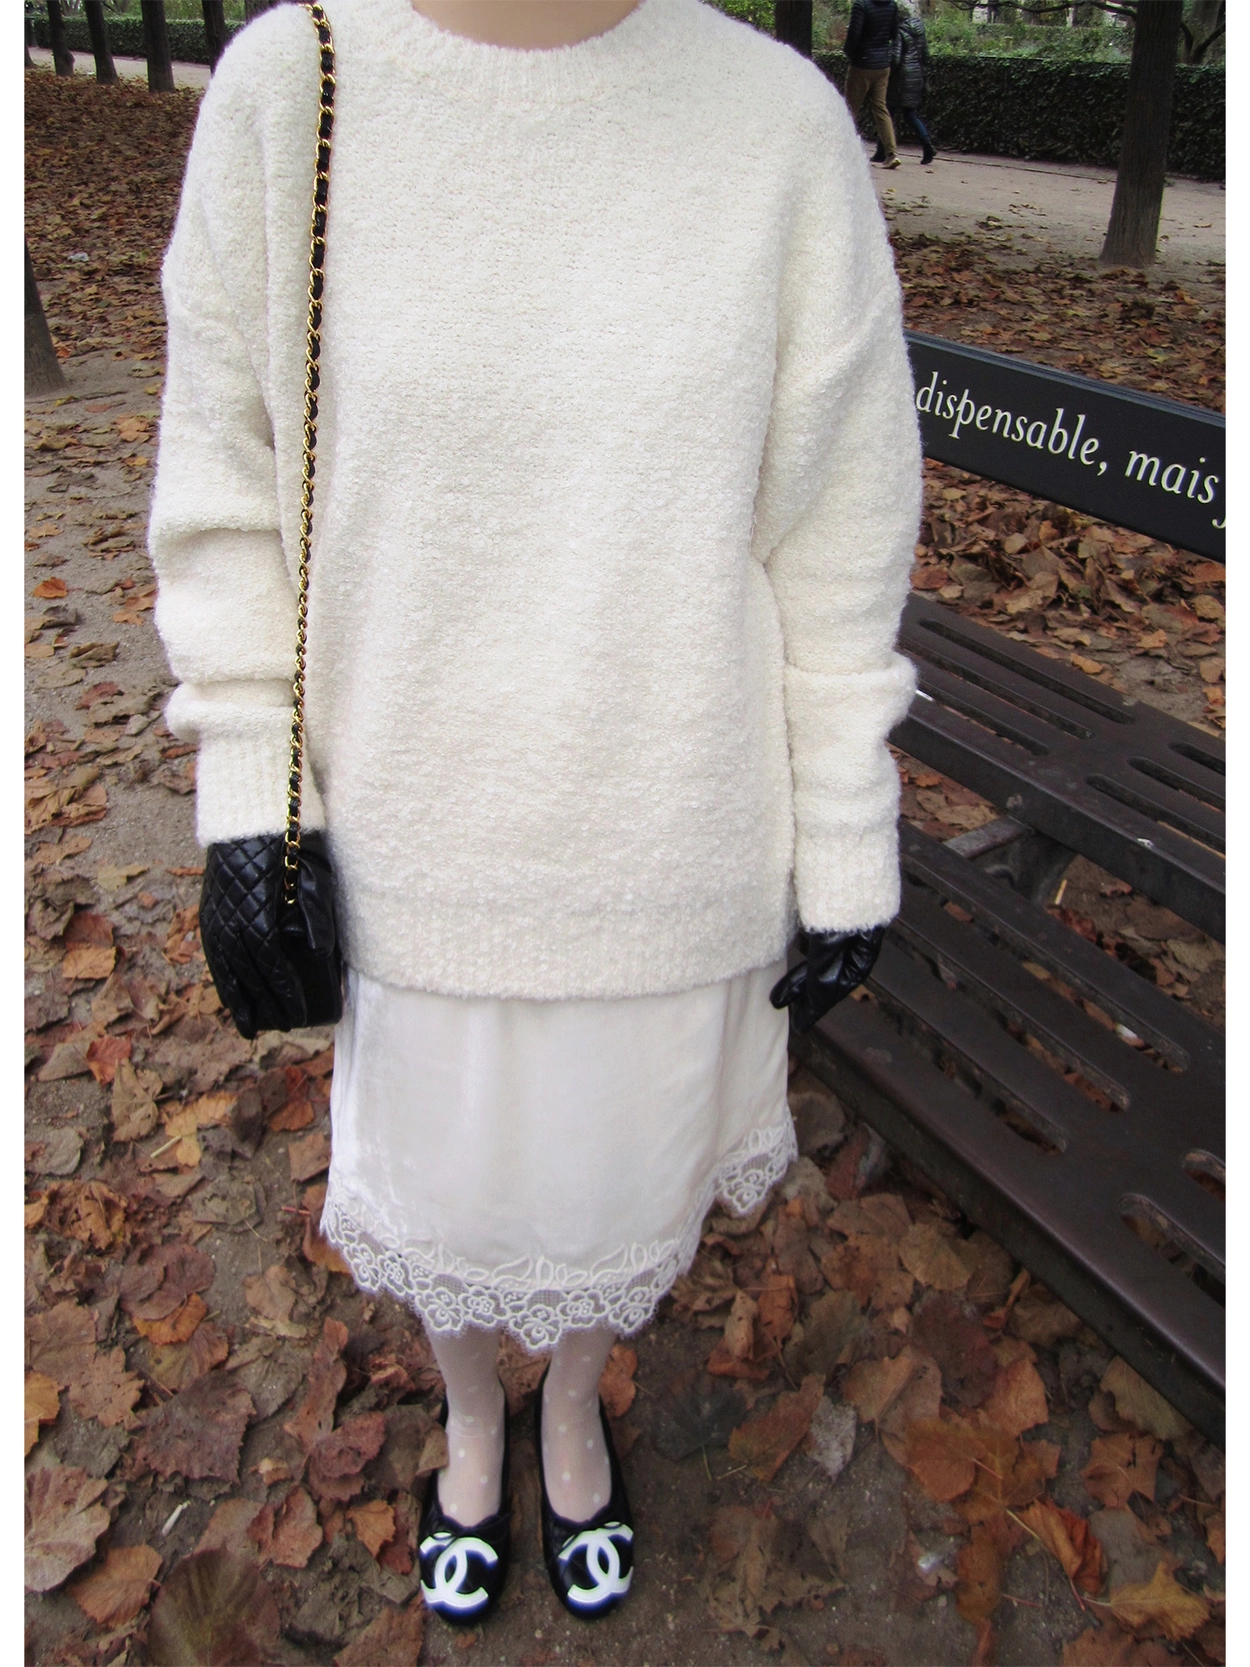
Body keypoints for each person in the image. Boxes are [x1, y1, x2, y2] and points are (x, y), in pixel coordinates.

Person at [149, 0, 921, 1630]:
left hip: (673, 832)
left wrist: (846, 824)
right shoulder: (298, 87)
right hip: (409, 835)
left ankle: (570, 1406)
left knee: (614, 1189)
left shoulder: (777, 125)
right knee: (443, 1195)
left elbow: (838, 523)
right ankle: (472, 1414)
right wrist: (250, 783)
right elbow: (226, 481)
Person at [874, 2, 935, 166]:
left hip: (900, 78)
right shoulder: (920, 29)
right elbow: (926, 55)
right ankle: (927, 145)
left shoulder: (899, 31)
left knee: (887, 112)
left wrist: (887, 70)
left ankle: (882, 151)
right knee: (909, 113)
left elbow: (896, 58)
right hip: (916, 74)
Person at [843, 0, 900, 168]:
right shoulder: (891, 4)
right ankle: (891, 153)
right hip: (882, 65)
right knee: (880, 108)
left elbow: (854, 34)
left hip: (862, 64)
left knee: (849, 110)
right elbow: (893, 33)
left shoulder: (861, 5)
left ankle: (843, 150)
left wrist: (851, 54)